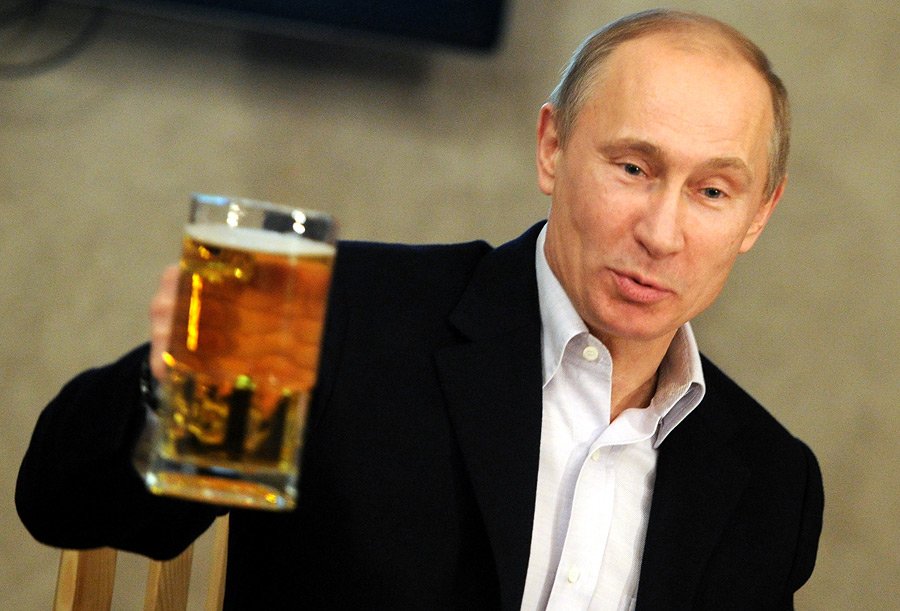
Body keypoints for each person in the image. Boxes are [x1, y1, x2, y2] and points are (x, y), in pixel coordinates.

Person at [17, 8, 823, 610]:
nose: (662, 232)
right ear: (552, 147)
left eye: (712, 191)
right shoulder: (336, 314)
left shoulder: (772, 484)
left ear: (759, 214)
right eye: (633, 168)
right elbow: (63, 505)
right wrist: (173, 388)